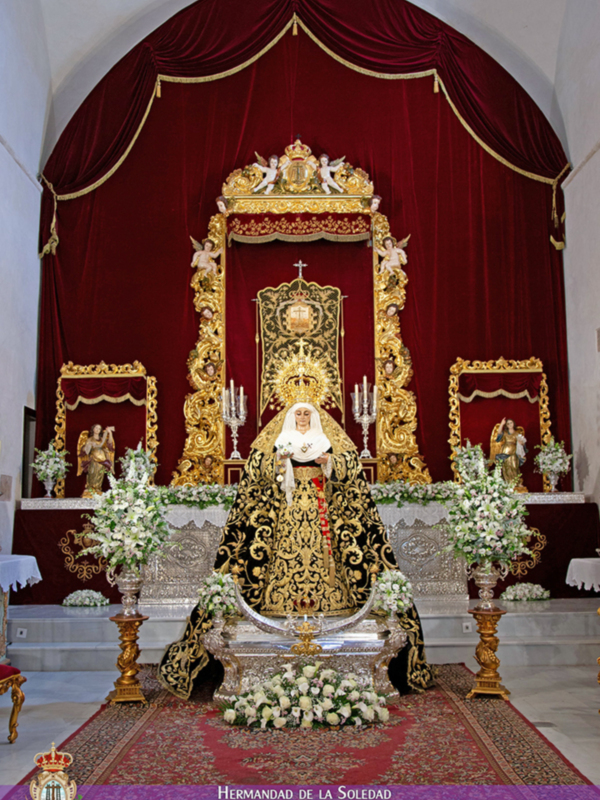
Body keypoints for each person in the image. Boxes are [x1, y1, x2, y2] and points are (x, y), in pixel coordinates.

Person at [159, 402, 436, 699]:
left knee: (331, 557)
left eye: (307, 414)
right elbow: (256, 471)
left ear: (314, 417)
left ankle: (330, 610)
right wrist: (279, 462)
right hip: (287, 509)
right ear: (291, 418)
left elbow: (351, 469)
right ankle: (280, 610)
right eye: (298, 414)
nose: (302, 418)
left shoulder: (326, 438)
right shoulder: (280, 438)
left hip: (321, 505)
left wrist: (329, 462)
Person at [77, 424, 114, 497]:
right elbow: (85, 451)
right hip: (93, 459)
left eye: (99, 429)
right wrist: (89, 445)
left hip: (102, 460)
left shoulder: (102, 439)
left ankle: (97, 489)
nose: (97, 430)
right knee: (92, 473)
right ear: (93, 429)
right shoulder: (90, 439)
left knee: (99, 475)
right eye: (96, 428)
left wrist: (110, 433)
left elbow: (109, 444)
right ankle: (90, 489)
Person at [493, 417, 527, 485]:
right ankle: (508, 484)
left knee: (514, 466)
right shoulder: (505, 433)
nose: (510, 424)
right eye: (508, 423)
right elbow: (499, 434)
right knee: (506, 467)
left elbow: (523, 444)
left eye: (511, 423)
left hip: (514, 452)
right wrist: (501, 424)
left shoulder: (517, 434)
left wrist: (521, 443)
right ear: (506, 425)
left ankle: (515, 483)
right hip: (505, 453)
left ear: (513, 424)